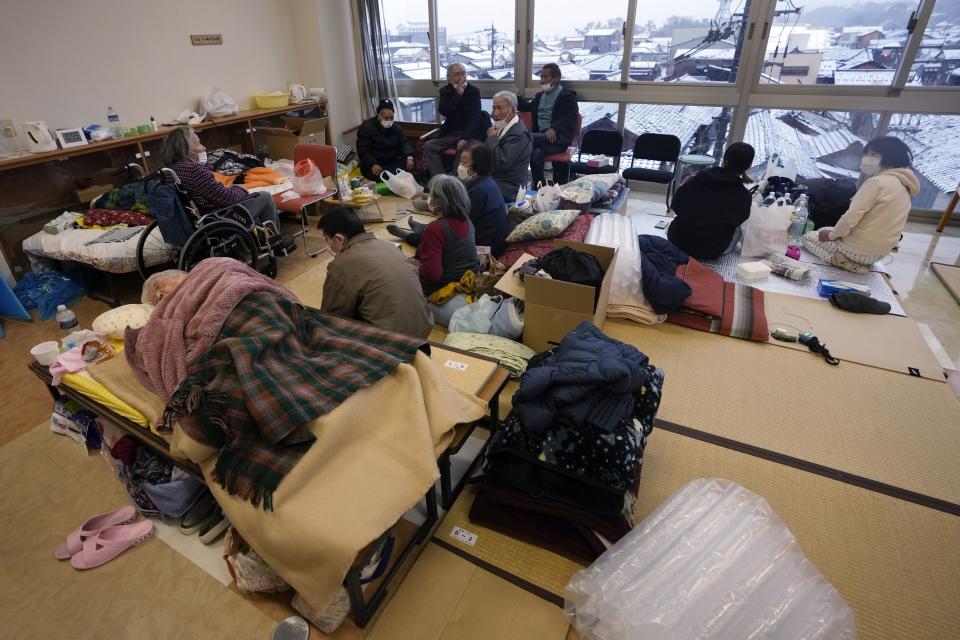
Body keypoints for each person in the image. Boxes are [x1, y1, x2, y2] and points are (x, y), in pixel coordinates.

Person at [161, 127, 294, 253]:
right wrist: (240, 189)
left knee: (251, 199)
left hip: (197, 217)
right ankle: (274, 243)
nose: (204, 148)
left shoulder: (170, 170)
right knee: (264, 197)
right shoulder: (194, 170)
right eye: (198, 144)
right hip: (218, 217)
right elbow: (226, 198)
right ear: (186, 150)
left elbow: (211, 192)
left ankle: (258, 239)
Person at [802, 136, 919, 273]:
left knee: (808, 238)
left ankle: (843, 262)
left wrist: (831, 236)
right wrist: (832, 232)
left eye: (873, 154)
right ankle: (852, 259)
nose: (867, 158)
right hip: (879, 253)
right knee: (825, 230)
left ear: (890, 158)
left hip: (858, 251)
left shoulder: (877, 183)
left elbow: (851, 217)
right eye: (867, 153)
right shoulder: (903, 185)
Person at [317, 206, 433, 339]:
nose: (327, 244)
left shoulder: (340, 265)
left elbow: (331, 318)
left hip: (390, 342)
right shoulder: (389, 247)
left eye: (326, 239)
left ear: (338, 239)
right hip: (424, 329)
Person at [666, 142, 756, 260]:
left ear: (725, 160)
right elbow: (738, 220)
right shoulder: (744, 195)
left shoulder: (699, 178)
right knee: (738, 230)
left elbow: (676, 205)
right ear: (748, 166)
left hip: (677, 240)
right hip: (709, 251)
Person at [406, 175, 478, 295]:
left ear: (438, 202)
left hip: (444, 287)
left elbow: (433, 274)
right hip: (468, 280)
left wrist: (416, 268)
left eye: (430, 195)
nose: (428, 199)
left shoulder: (435, 228)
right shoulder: (467, 221)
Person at [518, 63, 579, 186]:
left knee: (524, 138)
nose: (542, 80)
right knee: (535, 154)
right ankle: (540, 187)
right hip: (540, 138)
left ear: (556, 78)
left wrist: (555, 129)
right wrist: (516, 98)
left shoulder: (567, 97)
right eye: (541, 77)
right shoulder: (540, 96)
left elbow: (570, 118)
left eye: (545, 77)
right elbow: (528, 107)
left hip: (557, 139)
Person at [423, 64, 485, 177]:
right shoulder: (445, 91)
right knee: (429, 145)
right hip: (451, 133)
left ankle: (455, 181)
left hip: (469, 133)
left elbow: (475, 118)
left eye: (463, 73)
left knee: (462, 147)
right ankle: (440, 178)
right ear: (449, 77)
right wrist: (457, 94)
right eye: (457, 74)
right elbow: (443, 111)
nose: (461, 77)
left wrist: (464, 138)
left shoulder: (473, 91)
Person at [486, 91, 533, 202]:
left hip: (509, 188)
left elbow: (501, 163)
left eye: (499, 108)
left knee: (472, 190)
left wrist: (492, 139)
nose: (495, 113)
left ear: (512, 110)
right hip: (496, 179)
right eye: (494, 108)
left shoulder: (519, 134)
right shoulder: (502, 126)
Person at [355, 99, 415, 182]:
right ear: (379, 116)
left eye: (391, 118)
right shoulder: (366, 127)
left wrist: (409, 157)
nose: (389, 121)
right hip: (375, 164)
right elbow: (363, 150)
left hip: (392, 162)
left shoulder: (396, 128)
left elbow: (404, 144)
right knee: (383, 175)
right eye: (386, 118)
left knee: (403, 169)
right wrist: (372, 164)